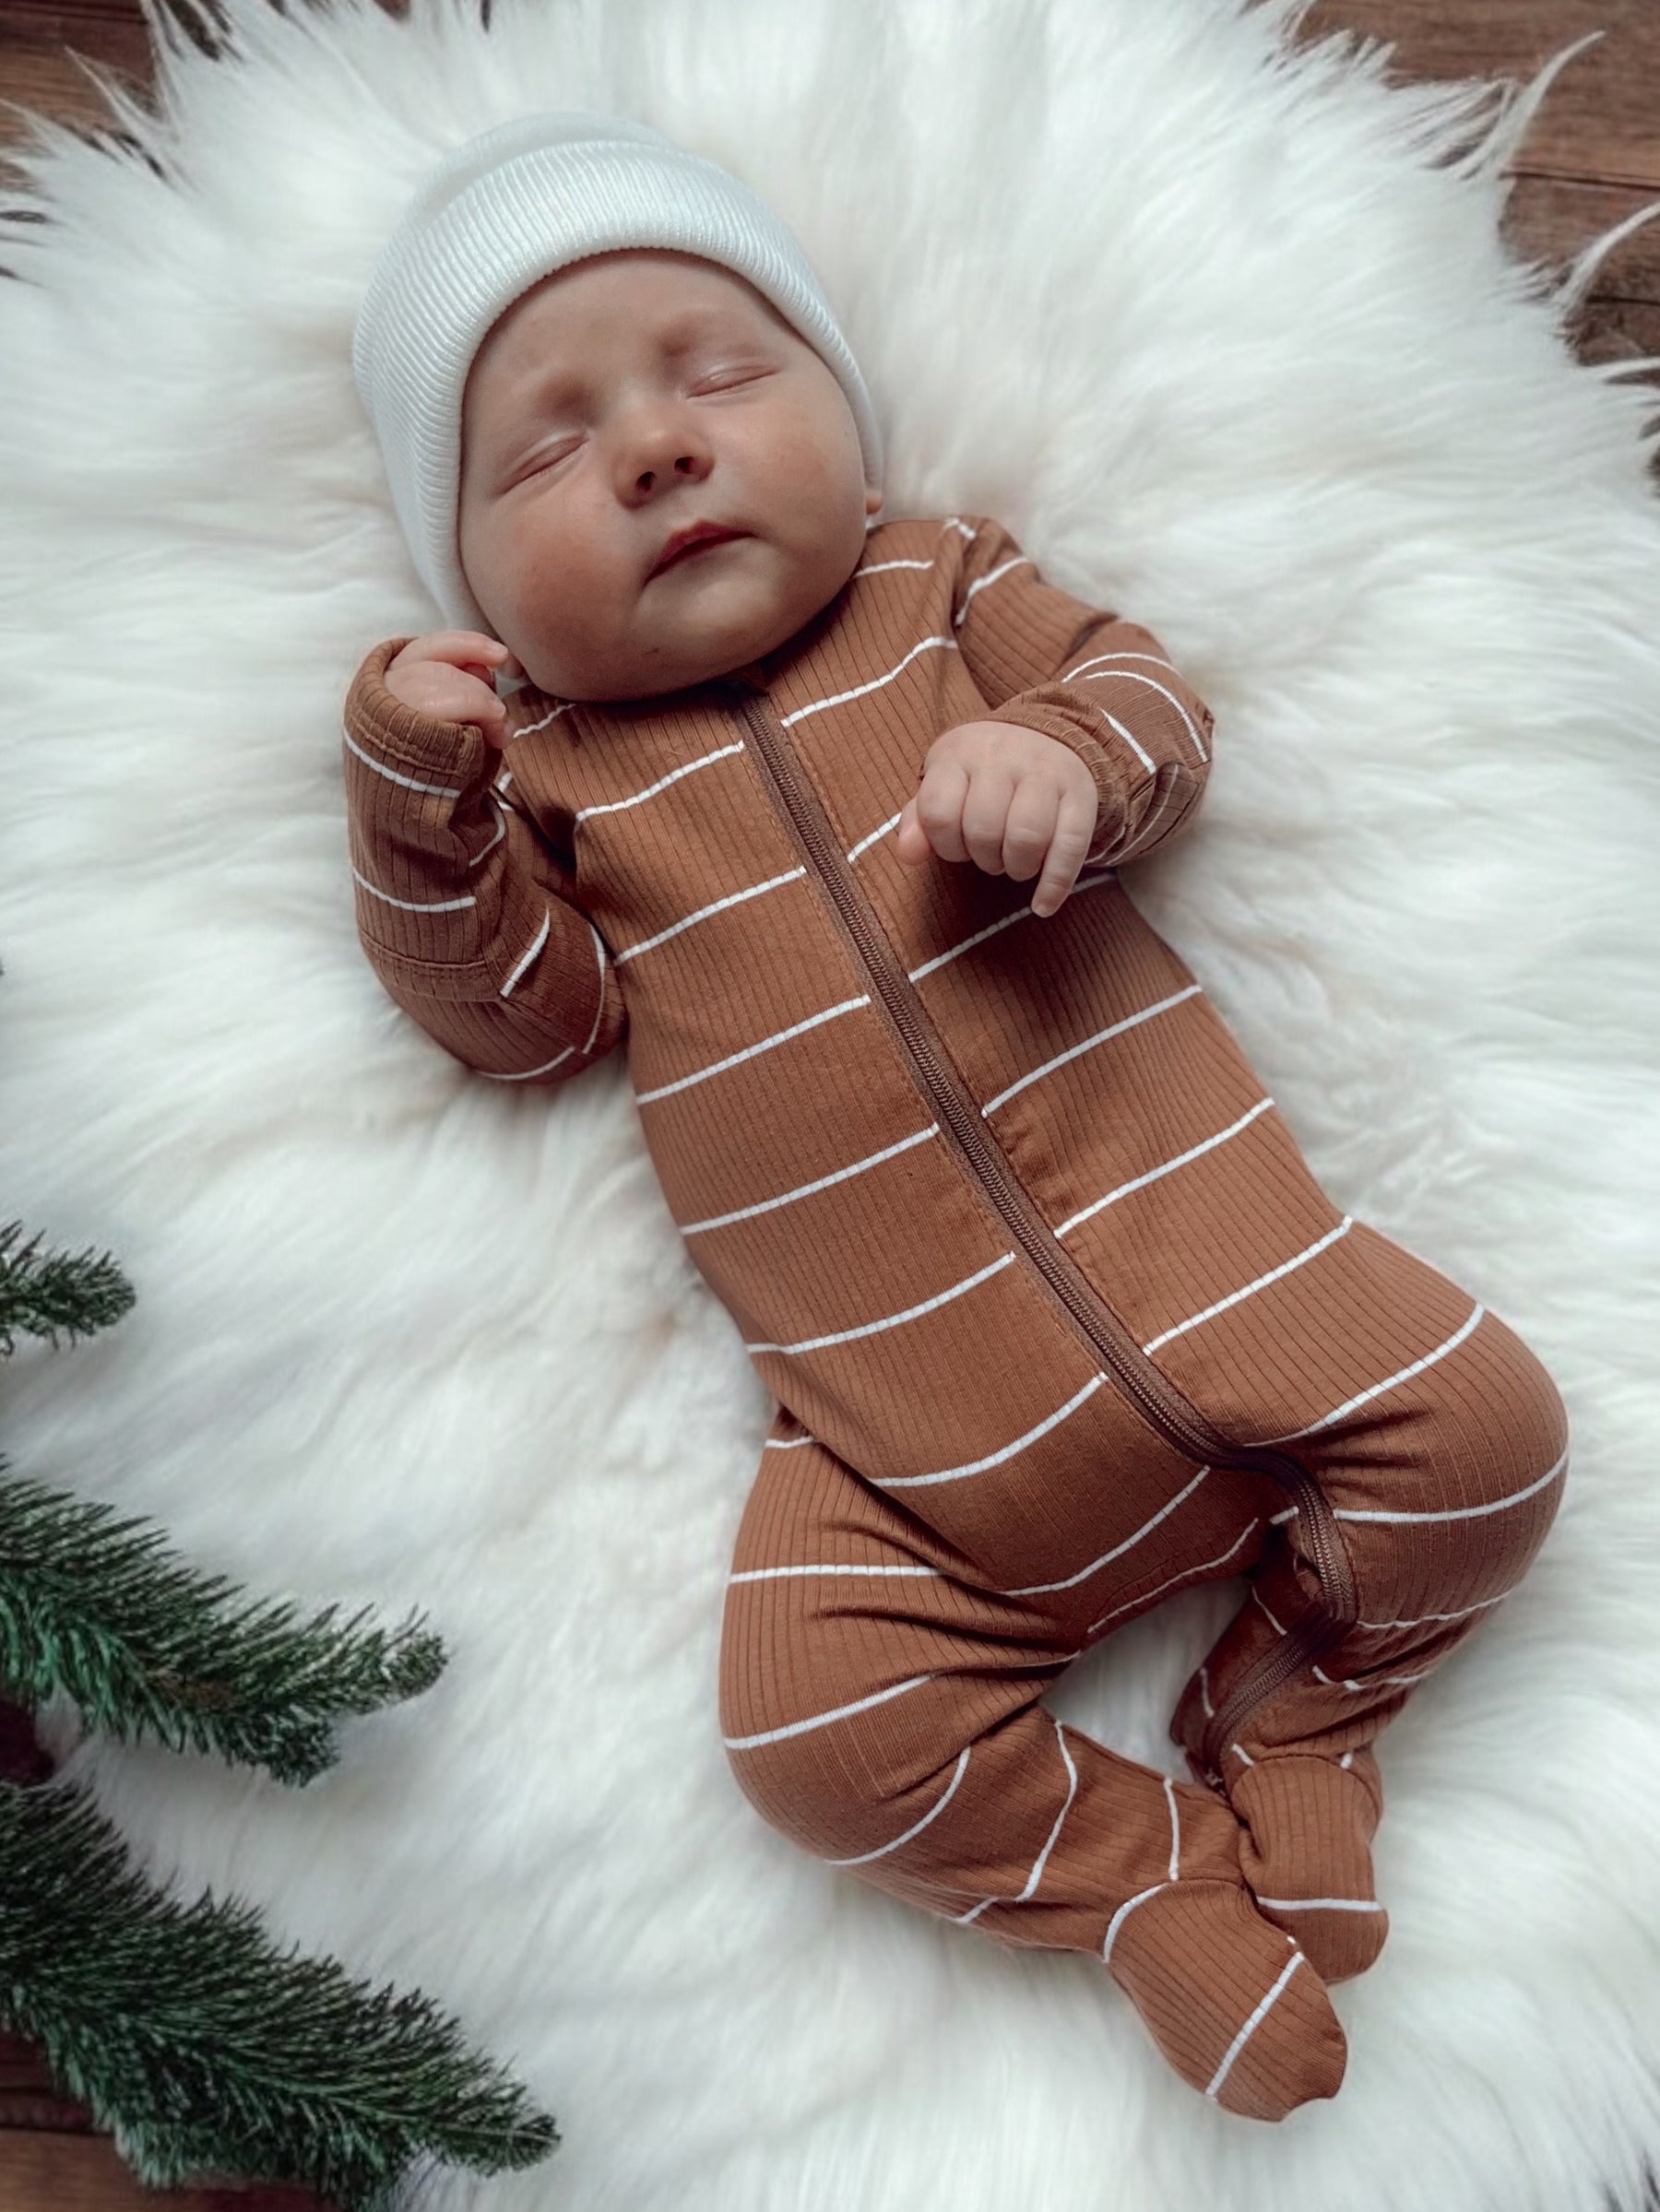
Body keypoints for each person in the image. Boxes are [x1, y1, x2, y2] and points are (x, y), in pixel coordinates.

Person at [343, 111, 1570, 2123]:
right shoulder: (553, 776)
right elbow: (514, 1022)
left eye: (718, 372)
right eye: (542, 455)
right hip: (906, 1463)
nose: (651, 448)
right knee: (810, 1744)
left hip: (1229, 1278)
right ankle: (1137, 1881)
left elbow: (1148, 698)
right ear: (467, 584)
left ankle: (1291, 1718)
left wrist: (1064, 755)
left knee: (1497, 1434)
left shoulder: (937, 586)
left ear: (845, 411)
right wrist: (417, 791)